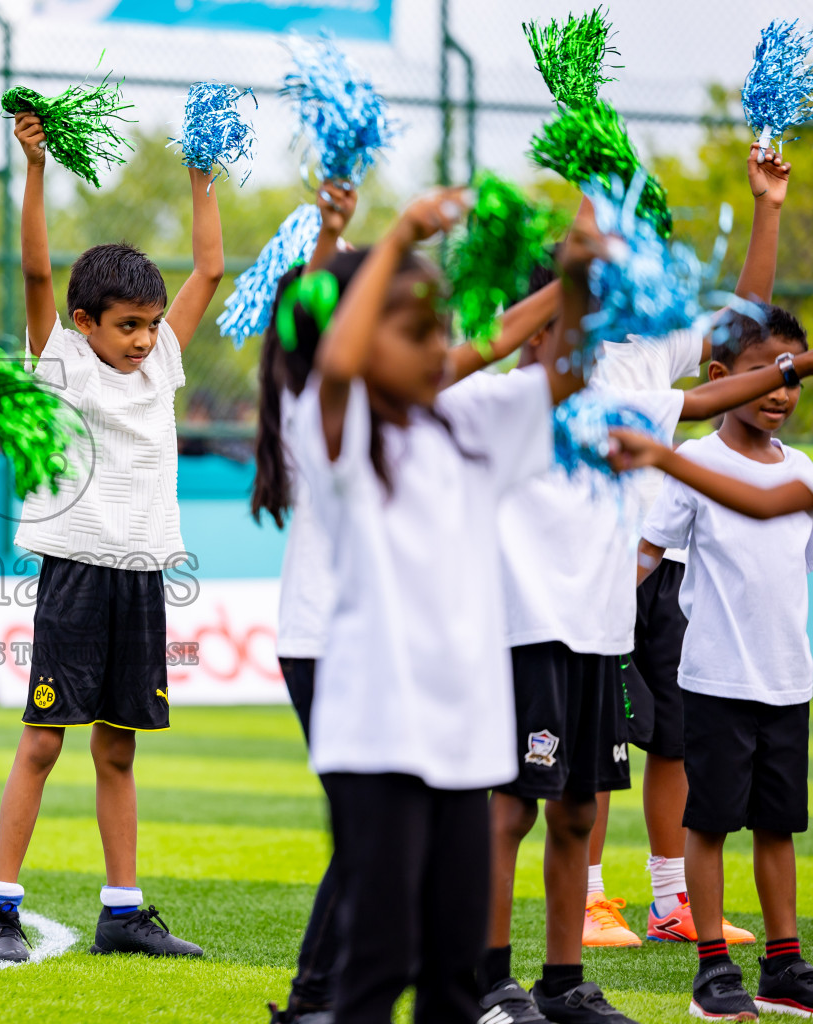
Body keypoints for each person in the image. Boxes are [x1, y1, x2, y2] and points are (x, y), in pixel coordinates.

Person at [250, 181, 559, 1024]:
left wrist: (581, 277)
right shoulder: (328, 423)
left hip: (463, 735)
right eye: (413, 328)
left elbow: (516, 358)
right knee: (380, 948)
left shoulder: (459, 430)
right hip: (368, 710)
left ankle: (318, 991)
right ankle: (318, 993)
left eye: (438, 327)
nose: (439, 346)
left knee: (453, 970)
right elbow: (341, 356)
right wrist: (395, 233)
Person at [0, 101, 226, 964]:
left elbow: (213, 270)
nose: (146, 339)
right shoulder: (64, 359)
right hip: (76, 571)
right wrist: (36, 170)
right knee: (43, 742)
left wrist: (200, 174)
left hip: (141, 575)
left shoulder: (163, 365)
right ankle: (0, 909)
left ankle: (123, 913)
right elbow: (37, 270)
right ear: (86, 324)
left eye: (153, 323)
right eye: (129, 325)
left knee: (118, 752)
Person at [585, 143, 792, 950]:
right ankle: (594, 898)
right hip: (596, 572)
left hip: (665, 570)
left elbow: (742, 331)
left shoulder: (654, 349)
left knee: (674, 737)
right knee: (601, 746)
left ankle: (671, 900)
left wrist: (767, 207)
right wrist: (598, 190)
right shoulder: (569, 352)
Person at [608, 308, 813, 1019]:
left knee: (779, 825)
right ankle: (712, 968)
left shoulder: (806, 472)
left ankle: (783, 968)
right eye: (768, 374)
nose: (782, 393)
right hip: (715, 681)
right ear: (721, 378)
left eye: (794, 379)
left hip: (789, 682)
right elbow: (646, 554)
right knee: (712, 823)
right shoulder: (694, 461)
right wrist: (601, 626)